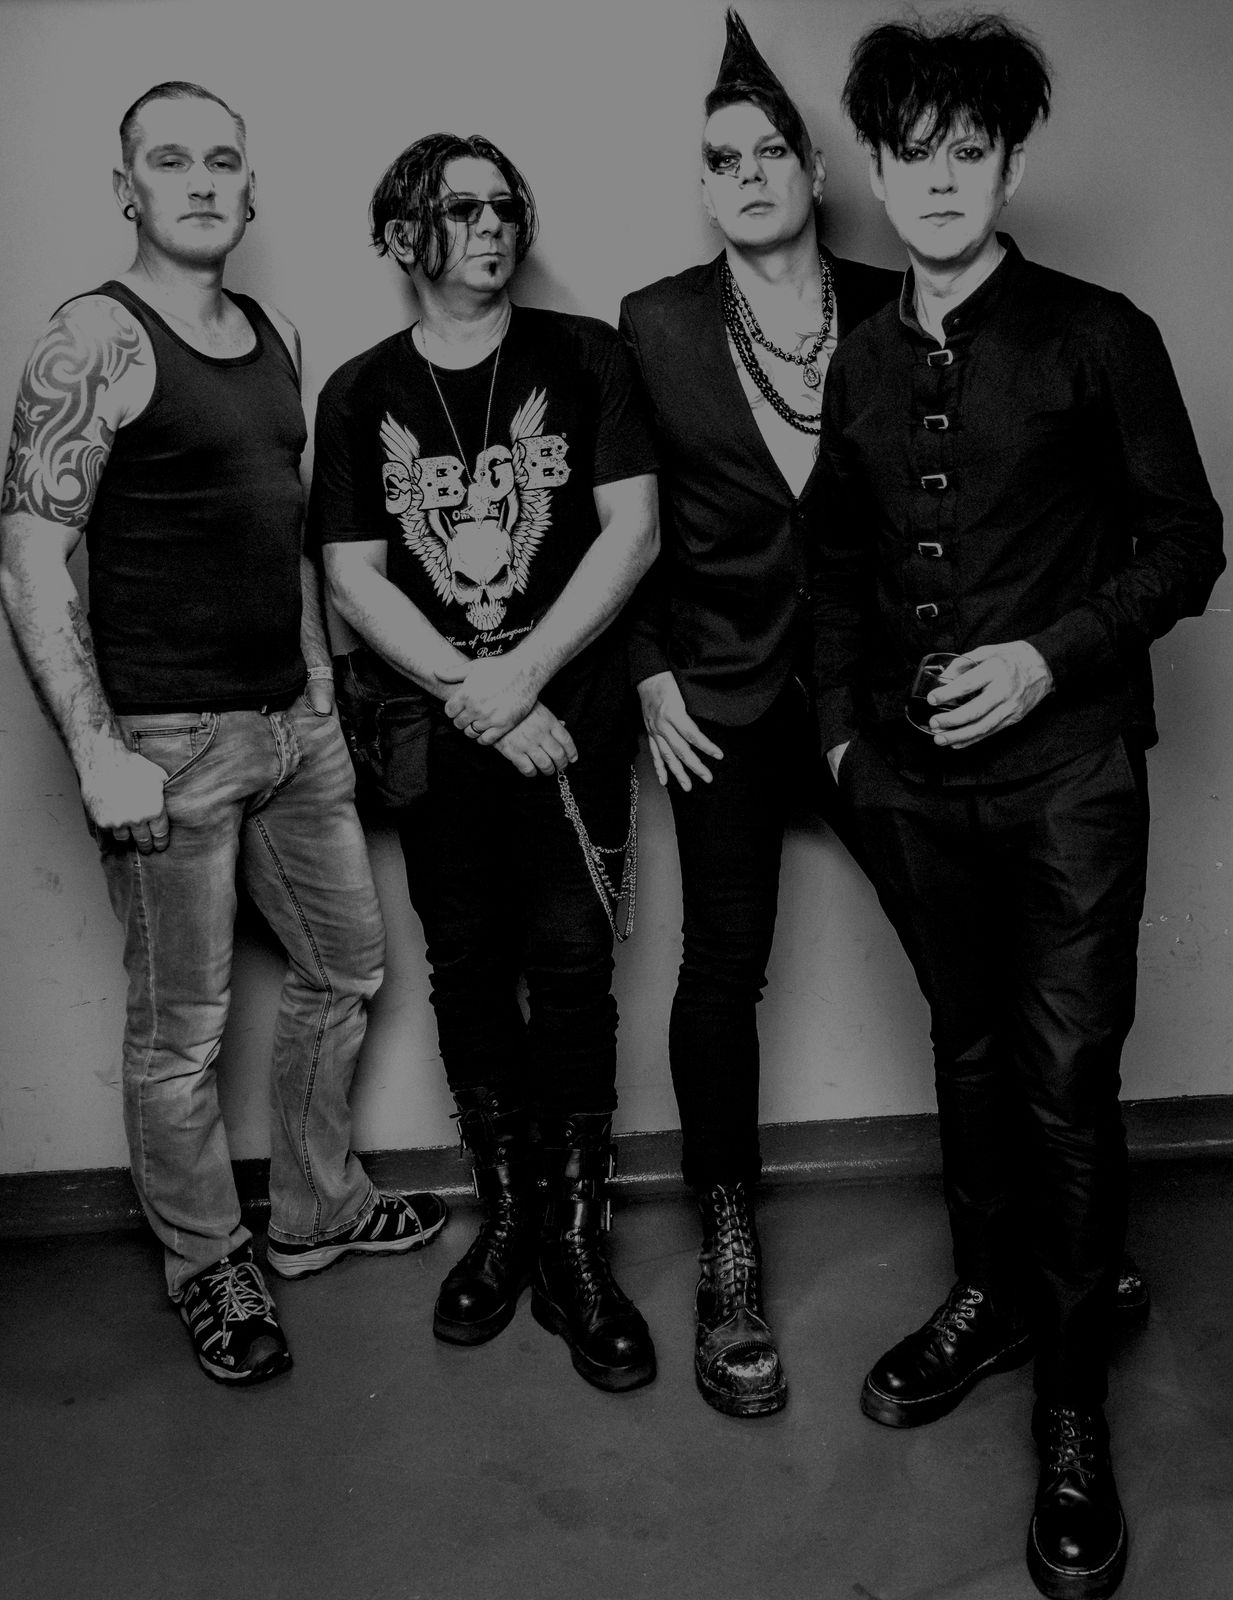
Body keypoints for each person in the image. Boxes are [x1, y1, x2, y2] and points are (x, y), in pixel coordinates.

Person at [813, 16, 1224, 1597]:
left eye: (967, 152)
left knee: (1062, 1079)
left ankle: (1068, 1400)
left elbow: (1186, 543)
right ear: (875, 169)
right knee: (969, 1052)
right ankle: (989, 1299)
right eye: (910, 155)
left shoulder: (1097, 335)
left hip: (1067, 786)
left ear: (1009, 166)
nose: (937, 181)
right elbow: (832, 565)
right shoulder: (859, 356)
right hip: (913, 791)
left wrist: (1052, 659)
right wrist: (843, 747)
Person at [0, 82, 447, 1388]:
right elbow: (30, 556)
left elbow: (282, 535)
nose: (199, 180)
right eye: (169, 160)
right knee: (181, 1035)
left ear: (249, 191)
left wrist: (315, 692)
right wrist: (97, 750)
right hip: (166, 740)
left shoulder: (278, 335)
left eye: (222, 161)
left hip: (289, 726)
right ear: (126, 189)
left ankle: (311, 1209)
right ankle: (208, 1261)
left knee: (346, 968)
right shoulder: (94, 338)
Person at [314, 133, 660, 1394]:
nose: (491, 223)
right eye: (460, 208)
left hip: (573, 728)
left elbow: (633, 532)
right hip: (443, 742)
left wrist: (526, 673)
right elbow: (351, 579)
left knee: (571, 971)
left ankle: (576, 1245)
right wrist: (478, 691)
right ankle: (508, 1222)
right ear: (404, 233)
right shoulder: (360, 391)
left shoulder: (587, 356)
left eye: (503, 203)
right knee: (466, 970)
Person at [618, 10, 898, 1418]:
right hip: (717, 692)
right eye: (721, 159)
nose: (746, 174)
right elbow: (619, 521)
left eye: (768, 152)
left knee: (966, 946)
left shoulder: (897, 303)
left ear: (813, 169)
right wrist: (648, 669)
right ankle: (727, 1246)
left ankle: (1049, 1221)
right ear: (703, 184)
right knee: (720, 969)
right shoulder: (655, 323)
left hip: (870, 693)